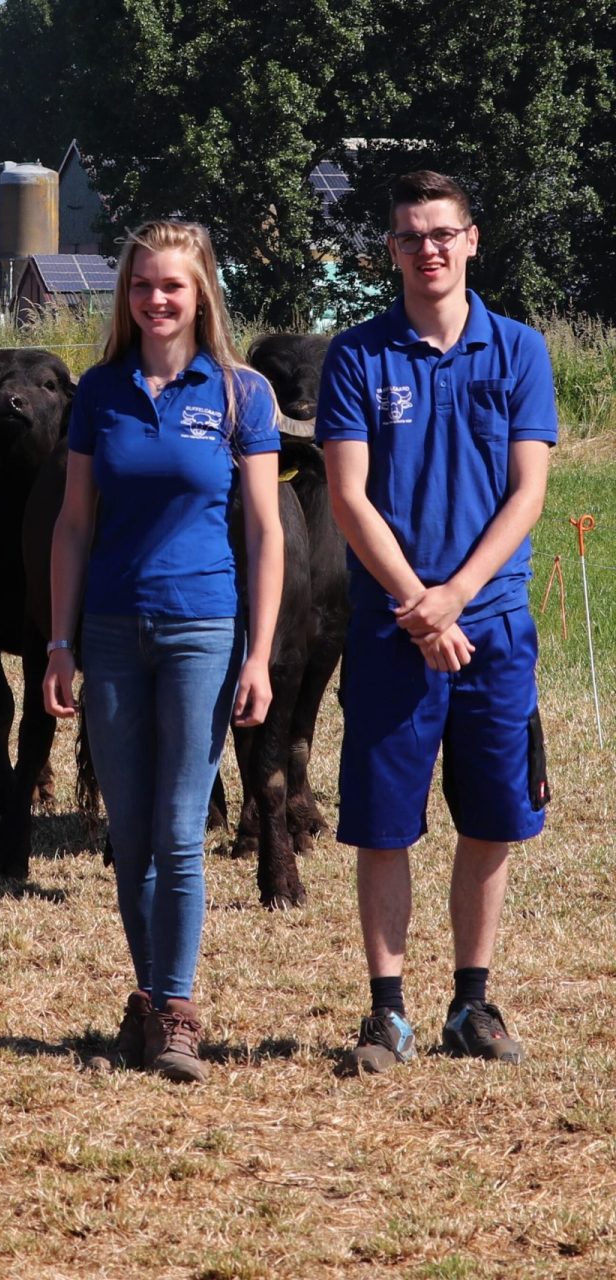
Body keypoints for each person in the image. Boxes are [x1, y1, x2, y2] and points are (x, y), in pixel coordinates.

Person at [316, 170, 554, 1074]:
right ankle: (387, 1013)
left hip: (490, 624)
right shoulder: (357, 356)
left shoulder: (520, 351)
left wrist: (456, 599)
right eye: (412, 236)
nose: (430, 249)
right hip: (391, 628)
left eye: (443, 232)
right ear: (391, 250)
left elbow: (529, 493)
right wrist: (420, 605)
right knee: (384, 824)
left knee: (491, 817)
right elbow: (346, 496)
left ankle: (472, 1002)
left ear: (472, 239)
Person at [43, 219, 283, 1084]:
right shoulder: (100, 391)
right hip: (109, 631)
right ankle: (149, 1002)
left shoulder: (239, 394)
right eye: (142, 285)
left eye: (171, 285)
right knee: (131, 831)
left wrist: (258, 654)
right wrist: (60, 641)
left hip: (200, 630)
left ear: (201, 292)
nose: (155, 299)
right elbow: (74, 525)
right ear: (126, 296)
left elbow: (263, 529)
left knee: (180, 830)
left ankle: (176, 1008)